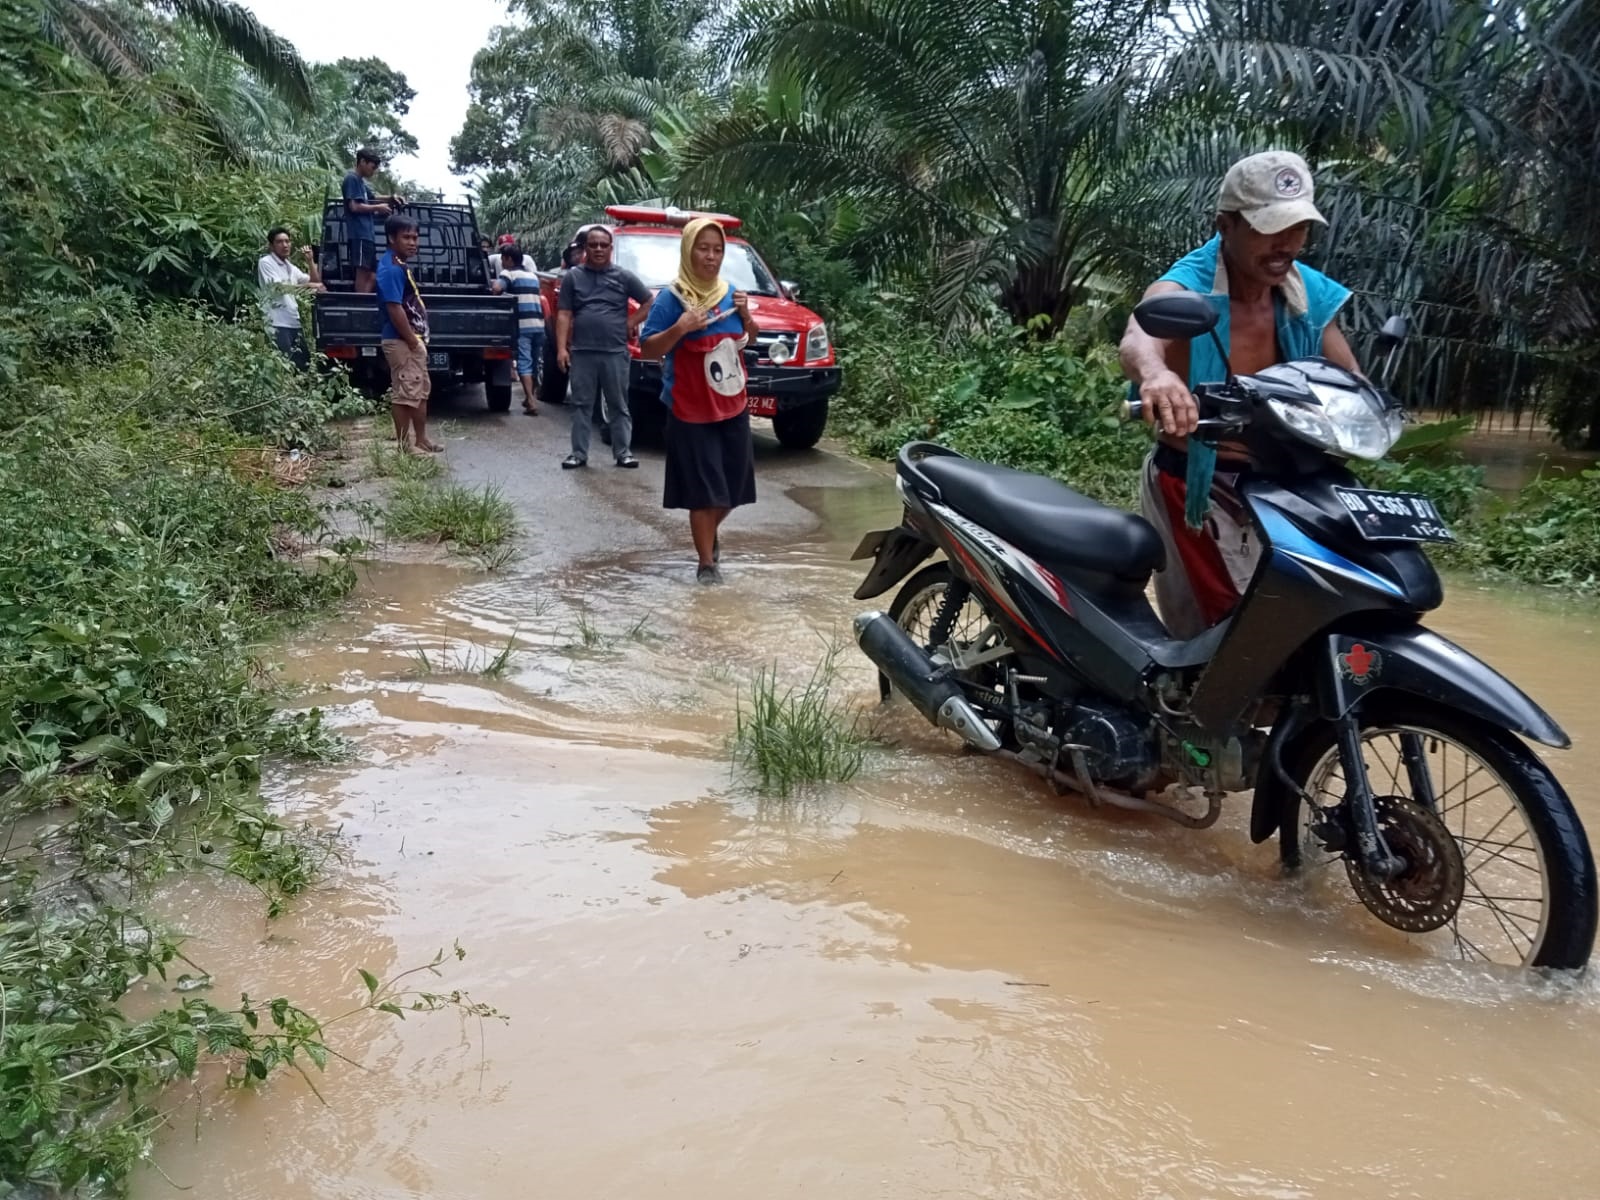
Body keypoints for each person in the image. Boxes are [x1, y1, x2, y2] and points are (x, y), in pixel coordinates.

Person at [1119, 150, 1363, 638]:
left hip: (1288, 482)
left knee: (1311, 624)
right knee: (1221, 637)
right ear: (1226, 224)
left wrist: (1365, 405)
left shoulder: (1306, 293)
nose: (1287, 245)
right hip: (1199, 483)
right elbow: (1138, 337)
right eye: (1270, 228)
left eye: (1298, 229)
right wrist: (1157, 375)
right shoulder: (1188, 285)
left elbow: (1348, 376)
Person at [640, 217, 760, 584]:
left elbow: (750, 339)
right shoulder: (672, 298)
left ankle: (709, 532)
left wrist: (746, 315)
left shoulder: (730, 292)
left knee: (732, 490)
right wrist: (681, 328)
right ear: (688, 250)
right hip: (689, 408)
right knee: (703, 492)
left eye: (717, 249)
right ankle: (706, 563)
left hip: (731, 403)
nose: (711, 256)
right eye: (703, 248)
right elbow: (647, 348)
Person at [555, 225, 653, 469]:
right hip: (582, 351)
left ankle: (623, 453)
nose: (598, 249)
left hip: (615, 352)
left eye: (603, 245)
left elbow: (650, 301)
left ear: (611, 248)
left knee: (619, 404)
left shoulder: (623, 276)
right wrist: (561, 349)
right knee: (581, 405)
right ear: (585, 248)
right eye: (593, 244)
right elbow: (564, 314)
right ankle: (578, 454)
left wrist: (631, 322)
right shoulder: (573, 277)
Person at [377, 213, 441, 454]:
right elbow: (394, 308)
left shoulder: (399, 265)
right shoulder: (391, 269)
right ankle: (405, 446)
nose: (413, 242)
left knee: (420, 390)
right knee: (405, 394)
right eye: (406, 237)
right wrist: (412, 341)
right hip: (401, 340)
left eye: (415, 237)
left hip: (411, 340)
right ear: (392, 238)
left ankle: (421, 439)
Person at [258, 226, 323, 368]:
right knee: (283, 365)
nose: (285, 245)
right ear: (271, 246)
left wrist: (310, 261)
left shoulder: (290, 267)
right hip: (276, 322)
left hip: (293, 321)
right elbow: (279, 288)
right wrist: (308, 287)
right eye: (280, 242)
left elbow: (316, 282)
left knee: (303, 365)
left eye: (287, 241)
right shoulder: (266, 262)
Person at [492, 244, 545, 415]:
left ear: (508, 259)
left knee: (524, 361)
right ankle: (531, 396)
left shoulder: (509, 274)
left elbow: (497, 288)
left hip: (523, 325)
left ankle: (531, 400)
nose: (502, 263)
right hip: (538, 324)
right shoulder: (533, 276)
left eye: (502, 259)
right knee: (535, 362)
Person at [344, 148, 404, 295]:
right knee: (363, 273)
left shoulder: (361, 183)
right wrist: (378, 208)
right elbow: (354, 206)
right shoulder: (351, 179)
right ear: (362, 162)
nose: (374, 171)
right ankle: (360, 305)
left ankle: (364, 301)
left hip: (367, 235)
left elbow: (373, 197)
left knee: (372, 275)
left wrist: (391, 198)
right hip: (359, 234)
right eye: (373, 167)